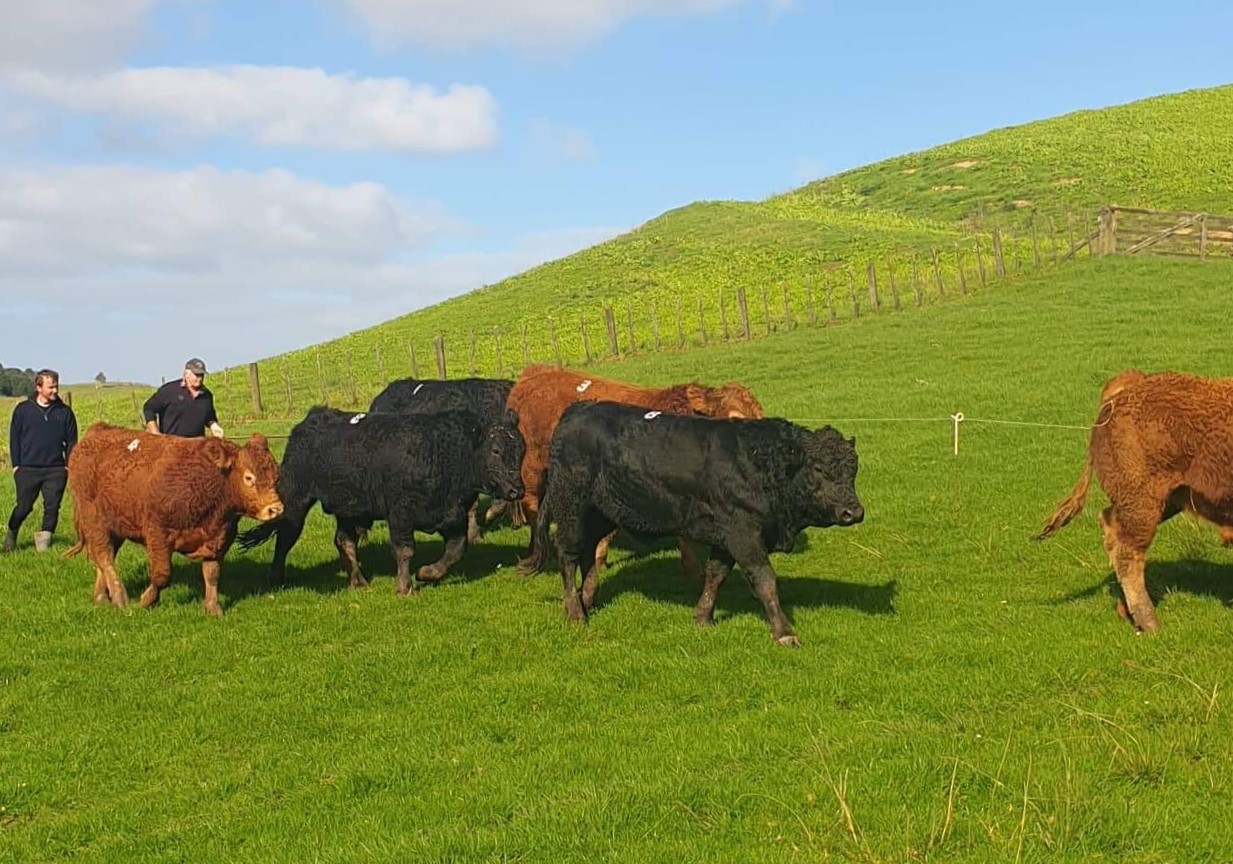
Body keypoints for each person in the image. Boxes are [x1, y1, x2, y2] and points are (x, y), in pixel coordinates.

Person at [5, 369, 78, 553]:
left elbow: (72, 442)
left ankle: (43, 548)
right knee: (24, 507)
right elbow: (14, 438)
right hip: (27, 469)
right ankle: (12, 532)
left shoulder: (65, 413)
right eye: (50, 387)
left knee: (52, 507)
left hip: (55, 469)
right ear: (38, 387)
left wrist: (67, 467)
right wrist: (16, 466)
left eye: (56, 386)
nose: (55, 391)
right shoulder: (23, 410)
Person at [142, 358, 225, 439]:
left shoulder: (207, 395)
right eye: (196, 375)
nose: (199, 378)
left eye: (201, 375)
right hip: (171, 446)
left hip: (196, 447)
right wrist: (154, 432)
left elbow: (209, 417)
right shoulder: (169, 390)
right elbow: (149, 408)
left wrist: (214, 426)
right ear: (186, 374)